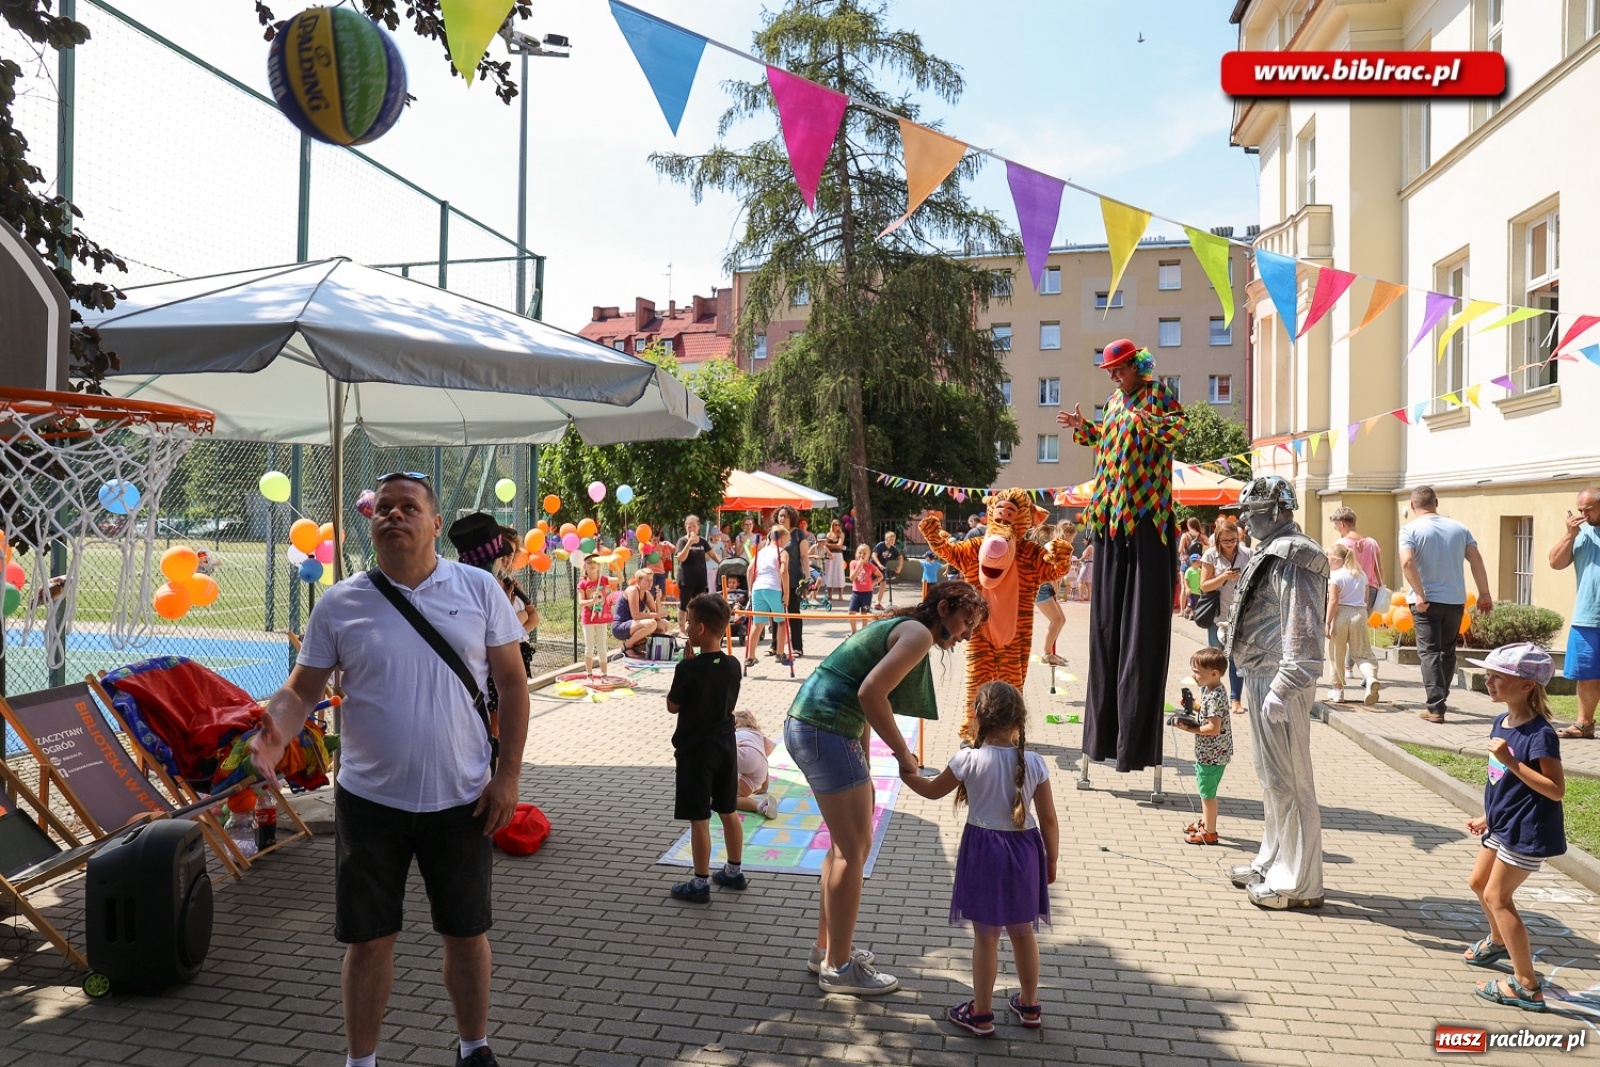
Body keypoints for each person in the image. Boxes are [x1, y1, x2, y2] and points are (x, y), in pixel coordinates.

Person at [253, 473, 528, 1067]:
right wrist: (275, 731)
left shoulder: (479, 589)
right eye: (384, 508)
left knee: (465, 932)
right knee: (369, 940)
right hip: (370, 804)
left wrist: (507, 776)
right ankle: (361, 1061)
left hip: (463, 800)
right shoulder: (341, 601)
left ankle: (474, 1046)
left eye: (410, 507)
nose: (395, 515)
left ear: (433, 524)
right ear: (370, 521)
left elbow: (512, 684)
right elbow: (301, 691)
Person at [786, 582, 987, 995]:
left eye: (973, 628)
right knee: (852, 850)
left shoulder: (905, 627)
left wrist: (865, 763)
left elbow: (857, 695)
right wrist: (903, 756)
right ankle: (838, 968)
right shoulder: (916, 634)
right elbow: (870, 693)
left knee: (844, 847)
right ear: (944, 608)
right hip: (824, 729)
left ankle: (826, 950)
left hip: (816, 726)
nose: (966, 634)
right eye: (966, 622)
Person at [1057, 338, 1187, 773]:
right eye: (1108, 370)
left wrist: (1151, 421)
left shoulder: (1158, 392)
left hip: (1147, 515)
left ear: (1135, 364)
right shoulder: (1114, 402)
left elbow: (1178, 432)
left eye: (1118, 368)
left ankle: (1136, 743)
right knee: (1106, 629)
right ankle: (1102, 740)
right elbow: (1107, 443)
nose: (1112, 376)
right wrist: (1084, 428)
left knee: (1141, 632)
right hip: (1110, 516)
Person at [897, 681, 1057, 1036]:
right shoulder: (1034, 762)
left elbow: (932, 791)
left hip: (983, 852)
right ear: (1020, 718)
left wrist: (906, 772)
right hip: (1026, 849)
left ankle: (981, 1014)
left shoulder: (967, 758)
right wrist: (1052, 859)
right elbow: (1048, 819)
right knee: (1023, 933)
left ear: (978, 716)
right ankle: (1030, 1006)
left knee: (985, 937)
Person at [1224, 476, 1328, 910]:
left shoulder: (1296, 553)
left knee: (1291, 780)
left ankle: (1299, 883)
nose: (1244, 521)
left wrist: (1285, 687)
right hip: (1262, 674)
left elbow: (1302, 629)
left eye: (1250, 512)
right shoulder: (1273, 549)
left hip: (1281, 679)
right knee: (1271, 780)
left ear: (1275, 510)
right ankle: (1273, 860)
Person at [1461, 643, 1564, 1013]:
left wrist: (1512, 761)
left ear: (1525, 686)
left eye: (1497, 677)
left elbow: (1555, 790)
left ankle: (1526, 985)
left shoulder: (1541, 734)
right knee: (1478, 883)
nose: (1488, 682)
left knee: (1497, 897)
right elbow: (1504, 782)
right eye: (1488, 675)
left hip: (1527, 829)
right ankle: (1499, 940)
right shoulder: (1501, 722)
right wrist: (1488, 816)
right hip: (1503, 822)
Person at [665, 594, 746, 903]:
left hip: (695, 751)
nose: (685, 627)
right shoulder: (732, 664)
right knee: (729, 810)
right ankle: (734, 870)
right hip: (726, 744)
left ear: (699, 629)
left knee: (699, 818)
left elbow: (673, 706)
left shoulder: (687, 669)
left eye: (687, 622)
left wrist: (686, 667)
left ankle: (700, 883)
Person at [1399, 486, 1494, 724]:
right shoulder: (1459, 528)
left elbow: (1407, 563)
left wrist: (1419, 594)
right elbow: (1476, 560)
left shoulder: (1409, 529)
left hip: (1426, 602)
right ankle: (1441, 699)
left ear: (1412, 506)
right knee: (1447, 651)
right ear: (1436, 502)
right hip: (1454, 600)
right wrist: (1484, 593)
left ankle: (1435, 707)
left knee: (1429, 652)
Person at [1549, 487, 1600, 740]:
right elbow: (1555, 562)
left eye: (1588, 509)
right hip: (1586, 616)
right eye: (1580, 509)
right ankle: (1584, 724)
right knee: (1587, 674)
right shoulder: (1580, 534)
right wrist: (1570, 534)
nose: (1583, 514)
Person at [1174, 647, 1232, 846]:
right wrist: (1195, 706)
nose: (1194, 675)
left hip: (1212, 755)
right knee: (1205, 791)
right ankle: (1206, 822)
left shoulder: (1215, 695)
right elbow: (1208, 711)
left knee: (1207, 794)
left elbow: (1213, 728)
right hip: (1210, 753)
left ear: (1214, 673)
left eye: (1197, 672)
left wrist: (1189, 728)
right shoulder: (1211, 690)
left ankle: (1209, 832)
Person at [1198, 518, 1249, 711]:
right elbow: (1204, 585)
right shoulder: (1210, 555)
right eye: (1225, 541)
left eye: (1233, 540)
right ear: (1218, 539)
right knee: (1214, 658)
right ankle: (1207, 700)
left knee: (1237, 658)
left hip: (1240, 615)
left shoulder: (1247, 554)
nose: (1229, 544)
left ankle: (1235, 700)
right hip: (1217, 616)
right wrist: (1223, 577)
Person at [1325, 543, 1379, 705]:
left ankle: (1338, 691)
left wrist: (1327, 622)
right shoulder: (1360, 574)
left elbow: (1333, 601)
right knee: (1362, 652)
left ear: (1334, 559)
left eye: (1327, 557)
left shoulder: (1336, 576)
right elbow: (1366, 597)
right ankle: (1370, 678)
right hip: (1359, 613)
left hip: (1341, 614)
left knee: (1336, 652)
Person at [747, 525, 789, 667]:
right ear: (782, 538)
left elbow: (749, 569)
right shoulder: (782, 552)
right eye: (786, 540)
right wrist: (787, 594)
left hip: (757, 588)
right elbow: (783, 572)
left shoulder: (761, 551)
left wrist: (750, 589)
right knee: (782, 622)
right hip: (773, 588)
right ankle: (780, 653)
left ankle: (750, 656)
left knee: (757, 624)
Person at [1330, 507, 1384, 611]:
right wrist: (1381, 588)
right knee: (1362, 625)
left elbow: (1336, 570)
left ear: (1342, 524)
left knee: (1344, 625)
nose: (1337, 530)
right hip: (1371, 590)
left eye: (1336, 526)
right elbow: (1379, 569)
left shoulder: (1341, 544)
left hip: (1349, 591)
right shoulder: (1372, 543)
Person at [1030, 523, 1068, 668]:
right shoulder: (1047, 550)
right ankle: (1046, 653)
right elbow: (1049, 573)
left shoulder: (1050, 548)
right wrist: (1056, 586)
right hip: (1043, 589)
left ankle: (1050, 650)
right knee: (1056, 620)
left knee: (1061, 620)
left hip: (1047, 588)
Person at [773, 506, 810, 657]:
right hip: (776, 579)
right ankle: (775, 646)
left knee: (794, 613)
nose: (782, 519)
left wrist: (807, 578)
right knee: (776, 613)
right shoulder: (774, 532)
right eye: (780, 516)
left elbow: (804, 557)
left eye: (785, 516)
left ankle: (797, 647)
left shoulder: (797, 534)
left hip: (794, 578)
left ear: (791, 518)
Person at [733, 709, 779, 819]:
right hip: (761, 767)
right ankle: (762, 806)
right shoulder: (758, 736)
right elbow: (762, 759)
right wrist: (764, 786)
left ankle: (711, 791)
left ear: (737, 722)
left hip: (745, 754)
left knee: (720, 753)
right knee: (737, 796)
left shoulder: (737, 732)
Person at [613, 568, 665, 657]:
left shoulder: (647, 594)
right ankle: (627, 647)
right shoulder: (633, 590)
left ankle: (639, 644)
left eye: (651, 580)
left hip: (634, 626)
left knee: (664, 625)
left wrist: (658, 599)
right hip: (620, 627)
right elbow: (636, 615)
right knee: (651, 623)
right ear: (639, 580)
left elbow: (658, 617)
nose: (650, 583)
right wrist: (657, 614)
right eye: (647, 580)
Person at [577, 556, 612, 678]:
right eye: (589, 562)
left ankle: (604, 674)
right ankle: (589, 674)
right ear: (584, 566)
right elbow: (580, 602)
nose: (592, 565)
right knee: (589, 647)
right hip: (588, 619)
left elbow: (621, 579)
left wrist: (616, 565)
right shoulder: (582, 583)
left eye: (595, 563)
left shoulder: (603, 579)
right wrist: (592, 601)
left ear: (599, 566)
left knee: (602, 646)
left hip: (602, 618)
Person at [675, 515, 712, 616]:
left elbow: (712, 554)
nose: (692, 529)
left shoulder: (703, 541)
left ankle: (697, 627)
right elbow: (681, 558)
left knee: (700, 606)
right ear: (685, 527)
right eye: (689, 527)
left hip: (700, 580)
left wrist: (722, 563)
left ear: (698, 528)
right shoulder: (682, 541)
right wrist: (689, 543)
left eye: (694, 526)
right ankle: (682, 630)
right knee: (684, 606)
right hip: (686, 580)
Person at [847, 545, 881, 633]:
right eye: (860, 553)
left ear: (868, 555)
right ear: (856, 554)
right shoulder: (853, 563)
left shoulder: (870, 566)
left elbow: (880, 576)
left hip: (867, 593)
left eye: (864, 553)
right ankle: (854, 631)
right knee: (851, 612)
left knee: (864, 613)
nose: (862, 555)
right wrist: (858, 566)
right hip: (856, 593)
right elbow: (852, 578)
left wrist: (872, 584)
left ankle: (863, 631)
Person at [872, 530, 904, 611]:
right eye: (891, 539)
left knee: (883, 584)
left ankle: (877, 603)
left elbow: (900, 557)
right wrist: (879, 564)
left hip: (882, 567)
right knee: (870, 583)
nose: (893, 541)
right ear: (886, 539)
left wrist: (899, 567)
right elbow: (874, 555)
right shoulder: (881, 545)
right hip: (874, 566)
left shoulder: (893, 548)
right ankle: (863, 597)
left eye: (894, 539)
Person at [823, 519, 848, 600]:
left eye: (838, 525)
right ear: (832, 525)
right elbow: (824, 545)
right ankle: (830, 594)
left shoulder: (841, 534)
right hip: (830, 555)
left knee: (839, 573)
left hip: (838, 555)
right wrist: (833, 545)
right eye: (835, 525)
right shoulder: (828, 534)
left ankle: (840, 595)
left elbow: (839, 545)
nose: (837, 526)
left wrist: (829, 545)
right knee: (829, 573)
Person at [1182, 553, 1204, 618]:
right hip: (1191, 591)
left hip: (1198, 591)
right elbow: (1186, 580)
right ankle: (1186, 611)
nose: (1199, 563)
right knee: (1191, 603)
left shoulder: (1200, 570)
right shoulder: (1189, 570)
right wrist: (1187, 588)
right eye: (1197, 561)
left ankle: (1192, 614)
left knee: (1196, 603)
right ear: (1192, 562)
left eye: (1200, 561)